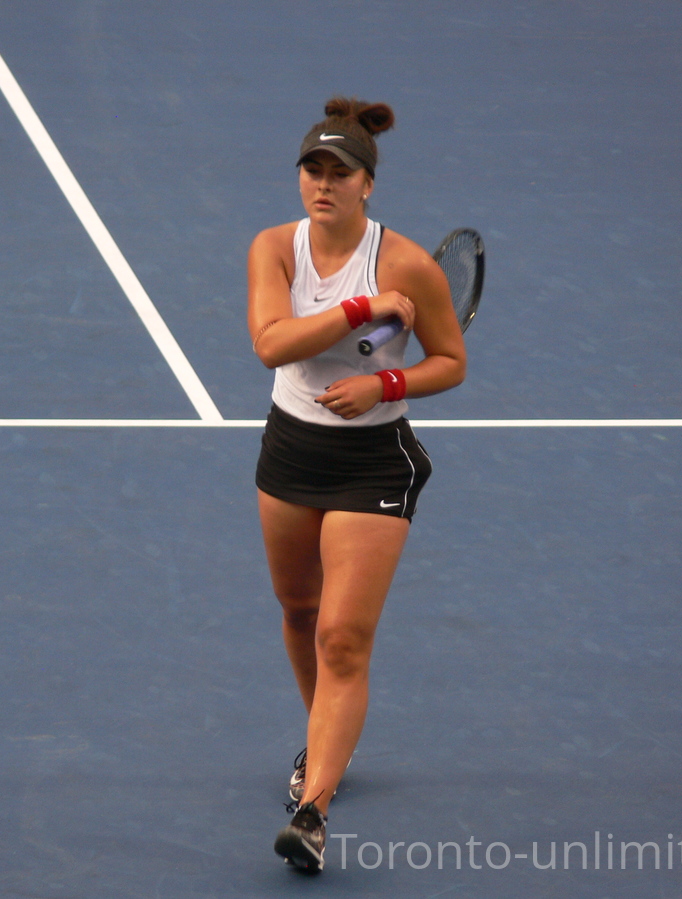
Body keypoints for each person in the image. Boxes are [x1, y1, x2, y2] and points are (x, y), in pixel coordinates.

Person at [248, 97, 467, 872]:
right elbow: (273, 346)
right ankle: (322, 741)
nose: (324, 183)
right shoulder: (275, 249)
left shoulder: (407, 263)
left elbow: (451, 360)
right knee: (298, 608)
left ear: (368, 184)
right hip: (291, 452)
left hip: (372, 462)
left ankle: (313, 809)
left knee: (342, 636)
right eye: (314, 168)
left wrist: (388, 385)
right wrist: (360, 309)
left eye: (341, 172)